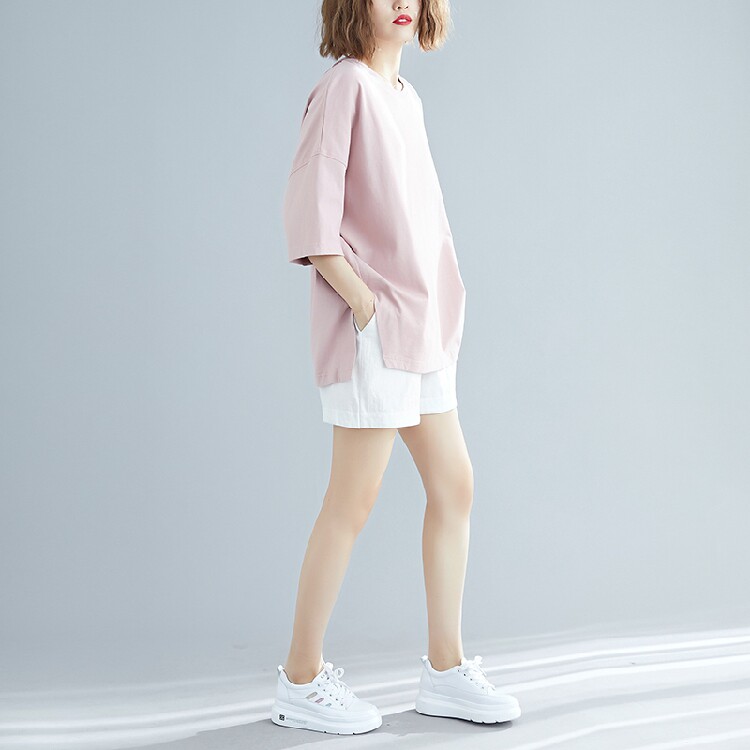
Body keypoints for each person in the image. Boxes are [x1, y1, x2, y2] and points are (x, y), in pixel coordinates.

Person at [272, 0, 521, 735]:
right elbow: (309, 216)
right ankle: (300, 679)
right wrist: (363, 303)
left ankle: (445, 669)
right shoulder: (344, 87)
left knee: (455, 484)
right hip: (377, 329)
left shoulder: (404, 97)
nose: (402, 3)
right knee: (353, 499)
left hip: (424, 326)